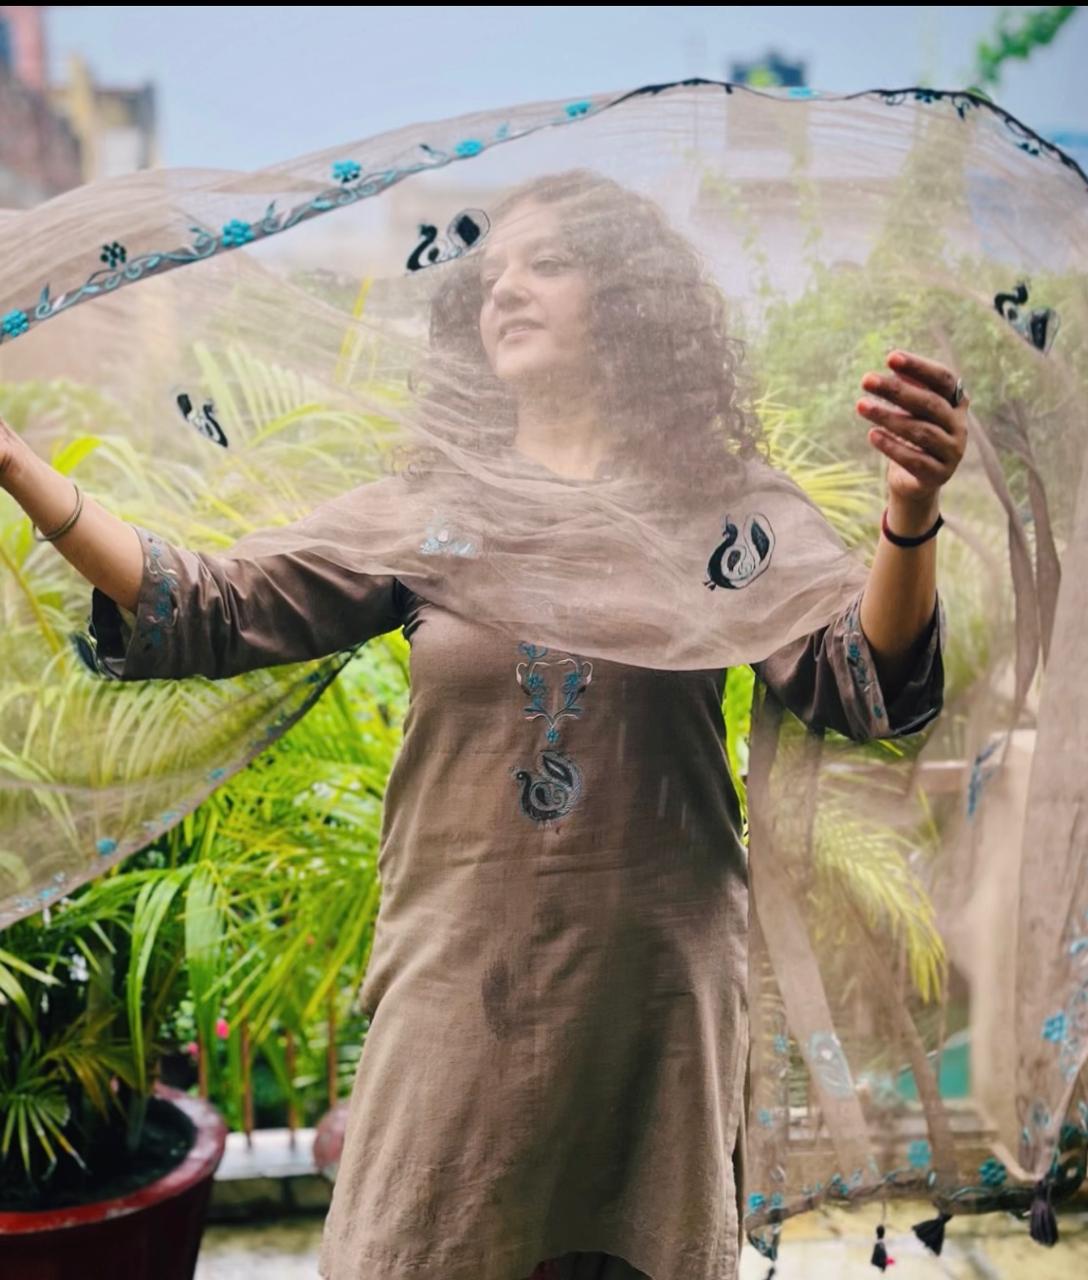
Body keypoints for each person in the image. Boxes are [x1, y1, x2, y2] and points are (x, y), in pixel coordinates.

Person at [0, 170, 964, 1280]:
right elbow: (209, 605)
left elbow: (861, 680)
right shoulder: (433, 508)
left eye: (547, 263)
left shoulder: (727, 513)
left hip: (652, 999)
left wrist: (909, 513)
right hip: (459, 981)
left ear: (631, 297)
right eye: (491, 271)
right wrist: (18, 467)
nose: (505, 287)